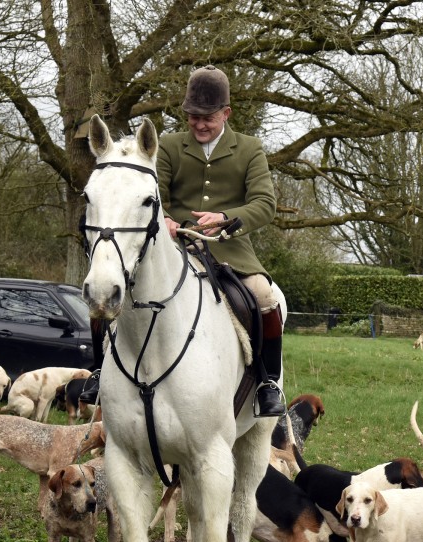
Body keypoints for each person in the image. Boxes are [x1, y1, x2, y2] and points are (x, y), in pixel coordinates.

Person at [82, 65, 285, 417]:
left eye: (207, 117)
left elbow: (265, 204)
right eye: (193, 117)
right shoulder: (168, 146)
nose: (199, 124)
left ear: (226, 113)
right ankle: (100, 371)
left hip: (229, 249)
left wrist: (226, 219)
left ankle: (268, 382)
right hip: (168, 248)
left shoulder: (250, 149)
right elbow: (147, 192)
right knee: (106, 287)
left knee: (264, 297)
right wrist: (168, 221)